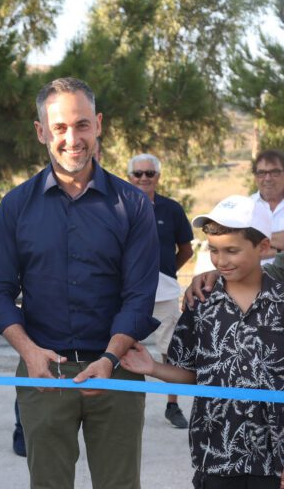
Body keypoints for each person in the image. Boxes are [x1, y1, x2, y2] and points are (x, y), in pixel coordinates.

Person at [0, 77, 160, 489]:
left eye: (81, 125)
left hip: (117, 371)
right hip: (43, 373)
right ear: (41, 131)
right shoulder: (15, 206)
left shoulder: (133, 205)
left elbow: (138, 297)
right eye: (59, 127)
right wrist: (29, 352)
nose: (72, 139)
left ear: (98, 125)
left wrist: (110, 359)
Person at [122, 194, 284, 489]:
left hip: (275, 464)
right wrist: (153, 368)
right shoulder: (200, 304)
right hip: (215, 457)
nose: (221, 261)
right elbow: (195, 376)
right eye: (214, 250)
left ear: (263, 247)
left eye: (232, 250)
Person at [126, 153, 193, 428]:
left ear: (158, 177)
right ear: (129, 177)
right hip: (128, 292)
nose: (144, 178)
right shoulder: (117, 206)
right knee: (122, 344)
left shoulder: (172, 209)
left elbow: (186, 250)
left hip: (165, 293)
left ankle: (172, 405)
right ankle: (124, 401)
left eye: (149, 173)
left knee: (170, 350)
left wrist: (165, 272)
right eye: (138, 173)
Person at [251, 150, 284, 262]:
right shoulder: (245, 207)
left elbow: (247, 245)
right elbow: (239, 247)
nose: (268, 178)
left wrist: (255, 239)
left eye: (275, 172)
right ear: (255, 177)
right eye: (261, 173)